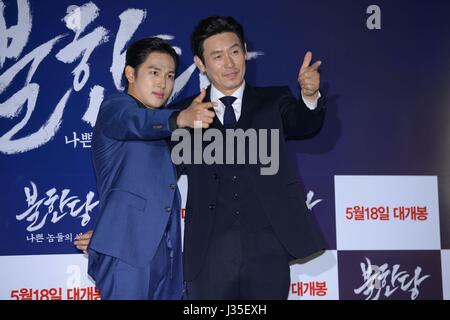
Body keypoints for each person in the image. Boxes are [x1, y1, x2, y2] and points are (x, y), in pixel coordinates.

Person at [77, 15, 326, 300]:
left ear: (245, 51)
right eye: (217, 56)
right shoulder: (182, 114)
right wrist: (112, 227)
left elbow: (305, 124)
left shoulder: (274, 101)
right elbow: (143, 169)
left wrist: (310, 95)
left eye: (234, 52)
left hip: (267, 250)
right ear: (200, 63)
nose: (229, 63)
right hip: (207, 255)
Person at [84, 36, 215, 300]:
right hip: (126, 249)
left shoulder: (171, 129)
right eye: (154, 72)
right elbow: (137, 121)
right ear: (130, 73)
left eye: (169, 76)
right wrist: (182, 117)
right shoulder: (116, 107)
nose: (163, 83)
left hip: (167, 252)